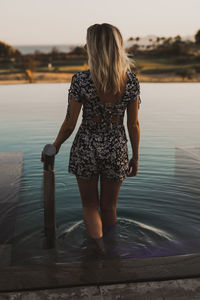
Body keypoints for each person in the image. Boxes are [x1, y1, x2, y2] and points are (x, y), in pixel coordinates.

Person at [41, 23, 141, 255]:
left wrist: (54, 147)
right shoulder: (131, 81)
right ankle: (112, 250)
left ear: (94, 48)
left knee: (90, 205)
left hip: (86, 147)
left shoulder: (81, 80)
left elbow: (69, 123)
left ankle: (98, 247)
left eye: (88, 42)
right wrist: (136, 156)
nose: (85, 46)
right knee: (109, 206)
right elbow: (133, 124)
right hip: (116, 148)